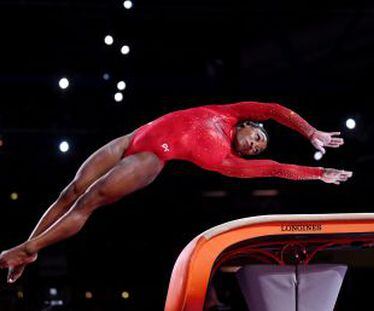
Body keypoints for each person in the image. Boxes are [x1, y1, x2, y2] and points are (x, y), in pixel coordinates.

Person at [0, 101, 352, 283]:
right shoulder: (229, 113)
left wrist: (319, 173)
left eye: (259, 148)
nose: (257, 147)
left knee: (87, 201)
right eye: (258, 137)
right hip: (131, 138)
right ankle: (30, 248)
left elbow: (278, 169)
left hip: (152, 158)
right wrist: (310, 133)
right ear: (247, 124)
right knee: (70, 190)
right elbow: (274, 111)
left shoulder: (228, 161)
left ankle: (26, 249)